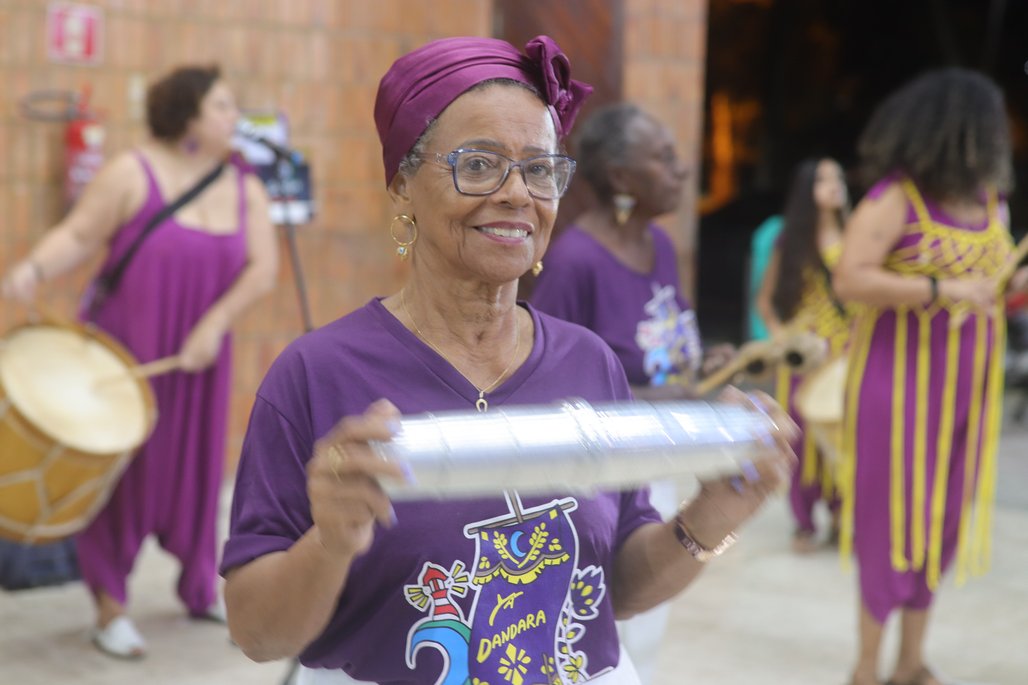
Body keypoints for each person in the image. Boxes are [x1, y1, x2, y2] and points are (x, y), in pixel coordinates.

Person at [219, 35, 794, 685]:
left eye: (540, 169)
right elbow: (256, 633)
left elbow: (613, 590)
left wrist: (706, 520)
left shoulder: (589, 362)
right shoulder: (318, 375)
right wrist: (329, 543)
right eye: (480, 163)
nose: (518, 193)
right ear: (403, 183)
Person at [0, 64, 278, 659]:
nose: (235, 118)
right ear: (189, 118)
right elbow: (77, 235)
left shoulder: (244, 184)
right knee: (124, 478)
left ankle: (199, 587)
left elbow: (264, 268)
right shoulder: (133, 171)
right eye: (223, 107)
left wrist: (215, 322)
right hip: (126, 352)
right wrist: (33, 268)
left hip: (200, 354)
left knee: (197, 473)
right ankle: (110, 608)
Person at [833, 68, 1024, 685]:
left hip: (968, 393)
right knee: (890, 522)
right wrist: (938, 287)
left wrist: (1012, 289)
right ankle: (868, 666)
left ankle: (911, 663)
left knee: (942, 522)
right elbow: (851, 278)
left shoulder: (991, 200)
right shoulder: (897, 197)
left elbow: (993, 291)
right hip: (899, 391)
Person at [529, 101, 729, 682]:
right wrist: (671, 397)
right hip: (603, 480)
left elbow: (667, 337)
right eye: (664, 158)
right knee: (615, 625)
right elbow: (548, 388)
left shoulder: (659, 245)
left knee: (652, 623)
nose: (682, 170)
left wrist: (705, 361)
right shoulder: (573, 262)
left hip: (657, 457)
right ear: (620, 177)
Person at [755, 157, 851, 553]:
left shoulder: (858, 238)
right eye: (823, 179)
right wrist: (785, 342)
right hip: (803, 359)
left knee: (845, 438)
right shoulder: (790, 240)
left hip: (847, 356)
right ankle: (805, 522)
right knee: (803, 441)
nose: (834, 185)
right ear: (806, 189)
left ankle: (844, 516)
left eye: (838, 177)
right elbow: (765, 303)